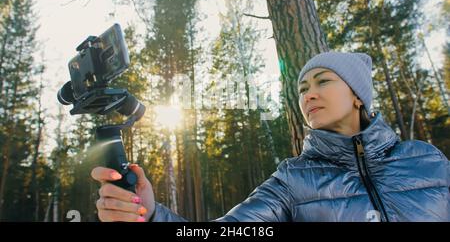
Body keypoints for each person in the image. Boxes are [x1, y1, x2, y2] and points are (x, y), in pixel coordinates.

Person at [91, 51, 450, 222]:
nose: (308, 94)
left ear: (358, 94)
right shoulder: (292, 180)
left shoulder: (426, 160)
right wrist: (151, 216)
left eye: (323, 81)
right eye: (302, 88)